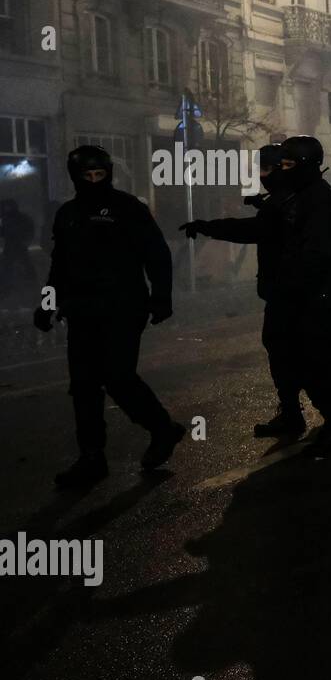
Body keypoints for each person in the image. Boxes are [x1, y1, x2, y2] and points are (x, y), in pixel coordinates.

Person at [33, 145, 184, 488]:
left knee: (118, 377)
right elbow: (59, 267)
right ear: (76, 178)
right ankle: (92, 458)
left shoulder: (128, 208)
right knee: (84, 386)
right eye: (87, 176)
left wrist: (162, 297)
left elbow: (156, 254)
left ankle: (161, 428)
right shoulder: (67, 214)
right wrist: (47, 302)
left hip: (123, 307)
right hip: (82, 310)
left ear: (108, 174)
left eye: (99, 175)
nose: (93, 181)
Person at [180, 143, 306, 437]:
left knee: (287, 352)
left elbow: (253, 231)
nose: (260, 176)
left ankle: (313, 417)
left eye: (265, 169)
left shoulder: (288, 202)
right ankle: (299, 413)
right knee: (287, 351)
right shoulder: (289, 198)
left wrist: (207, 227)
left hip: (289, 292)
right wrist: (263, 205)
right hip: (289, 290)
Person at [271, 135, 331, 456]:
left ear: (305, 165)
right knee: (309, 360)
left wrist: (292, 286)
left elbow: (315, 255)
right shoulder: (301, 195)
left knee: (317, 362)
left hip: (324, 294)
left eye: (289, 164)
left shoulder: (318, 199)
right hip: (312, 293)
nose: (283, 169)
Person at [0, 198, 37, 295]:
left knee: (21, 262)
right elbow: (4, 232)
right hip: (13, 244)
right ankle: (7, 284)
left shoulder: (18, 218)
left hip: (18, 243)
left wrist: (25, 240)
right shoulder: (6, 218)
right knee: (9, 264)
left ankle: (30, 279)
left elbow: (29, 228)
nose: (6, 209)